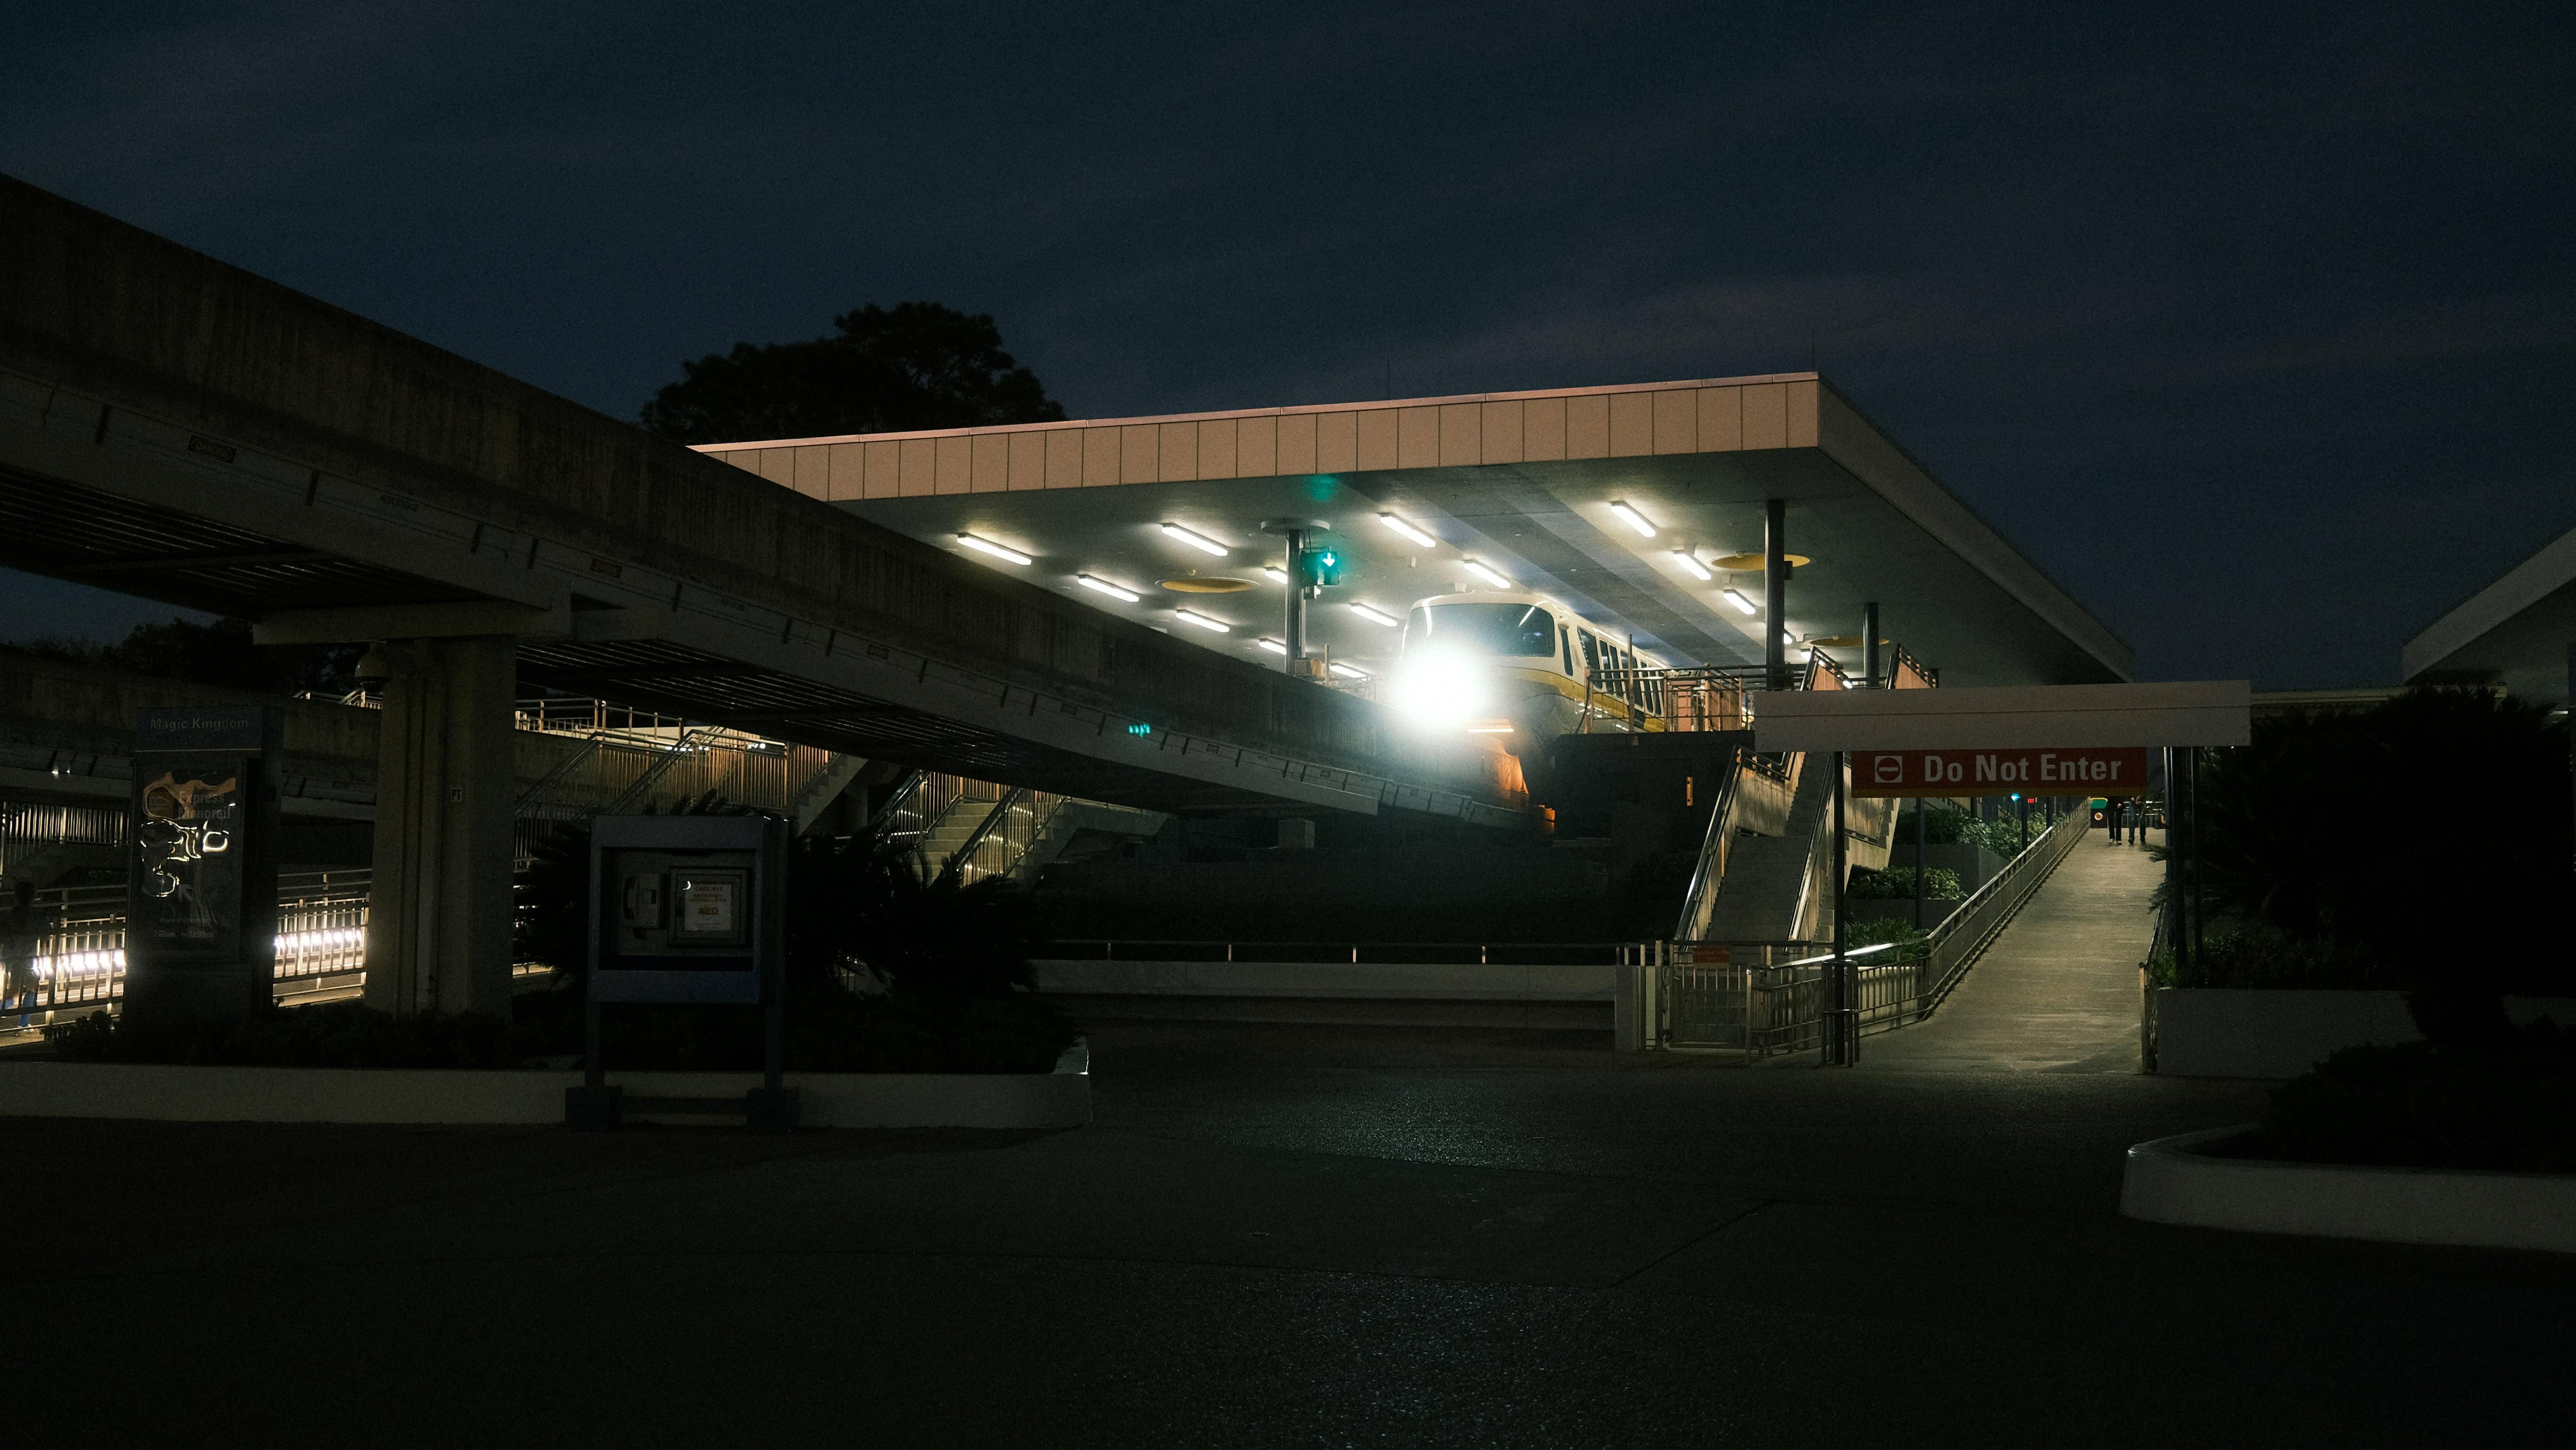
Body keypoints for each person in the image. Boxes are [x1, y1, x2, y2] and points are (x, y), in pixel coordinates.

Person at [2, 879, 50, 1031]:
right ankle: (23, 1024)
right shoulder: (37, 915)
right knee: (32, 987)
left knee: (15, 991)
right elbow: (46, 934)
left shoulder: (9, 914)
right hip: (26, 956)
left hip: (10, 956)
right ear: (33, 895)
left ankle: (23, 1023)